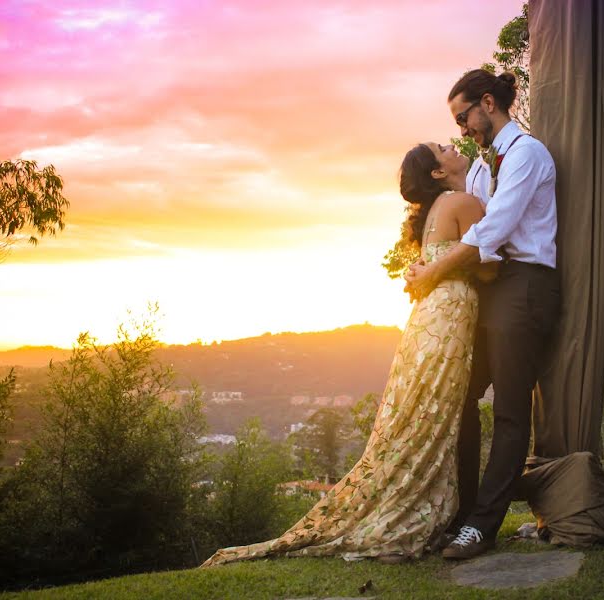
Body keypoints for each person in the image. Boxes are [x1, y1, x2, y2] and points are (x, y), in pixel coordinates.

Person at [201, 142, 495, 567]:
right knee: (443, 416)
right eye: (441, 147)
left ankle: (438, 507)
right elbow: (490, 266)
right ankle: (446, 512)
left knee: (427, 415)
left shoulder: (432, 215)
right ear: (435, 172)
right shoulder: (463, 202)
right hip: (450, 317)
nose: (450, 145)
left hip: (426, 322)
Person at [405, 69, 560, 560]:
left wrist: (433, 272)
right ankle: (462, 510)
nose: (462, 130)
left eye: (463, 118)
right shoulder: (477, 170)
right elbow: (468, 231)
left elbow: (494, 229)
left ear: (487, 103)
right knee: (464, 394)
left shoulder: (527, 155)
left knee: (512, 410)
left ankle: (482, 526)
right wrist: (426, 263)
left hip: (527, 284)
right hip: (491, 285)